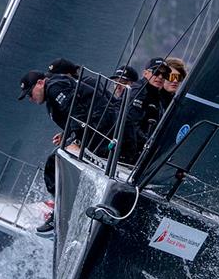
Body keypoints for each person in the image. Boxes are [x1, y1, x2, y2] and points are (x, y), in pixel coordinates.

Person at [18, 68, 117, 234]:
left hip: (99, 132)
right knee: (57, 160)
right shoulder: (54, 88)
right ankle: (65, 210)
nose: (30, 98)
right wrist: (67, 134)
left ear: (41, 82)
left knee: (53, 163)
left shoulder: (54, 87)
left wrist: (74, 137)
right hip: (96, 130)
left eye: (30, 93)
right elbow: (76, 115)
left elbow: (77, 113)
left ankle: (61, 213)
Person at [120, 57, 171, 163]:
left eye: (165, 75)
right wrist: (147, 143)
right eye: (156, 72)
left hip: (143, 151)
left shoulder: (157, 95)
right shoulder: (138, 92)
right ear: (145, 73)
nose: (160, 77)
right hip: (127, 152)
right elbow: (131, 123)